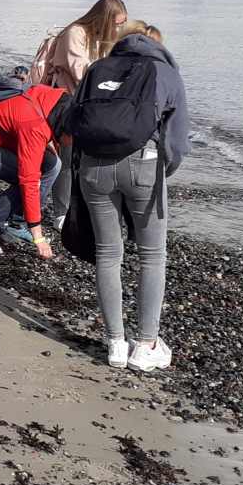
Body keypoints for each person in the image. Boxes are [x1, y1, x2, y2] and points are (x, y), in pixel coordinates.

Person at [74, 24, 190, 371]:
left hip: (93, 167)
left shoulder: (98, 67)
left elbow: (76, 116)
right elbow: (177, 138)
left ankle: (115, 343)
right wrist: (162, 172)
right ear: (159, 45)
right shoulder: (165, 71)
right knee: (152, 256)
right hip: (143, 165)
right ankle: (146, 345)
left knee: (108, 253)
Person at [0, 83, 71, 258]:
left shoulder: (61, 102)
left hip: (6, 133)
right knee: (23, 183)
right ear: (65, 131)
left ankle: (17, 226)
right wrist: (38, 237)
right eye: (72, 141)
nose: (70, 146)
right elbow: (28, 181)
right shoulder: (35, 127)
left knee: (53, 166)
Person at [46, 0, 127, 227]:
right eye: (116, 23)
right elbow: (81, 71)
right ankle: (61, 213)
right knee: (68, 158)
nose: (118, 28)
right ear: (103, 18)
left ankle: (84, 208)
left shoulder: (100, 37)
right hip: (67, 102)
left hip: (90, 103)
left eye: (121, 24)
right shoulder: (75, 33)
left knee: (87, 158)